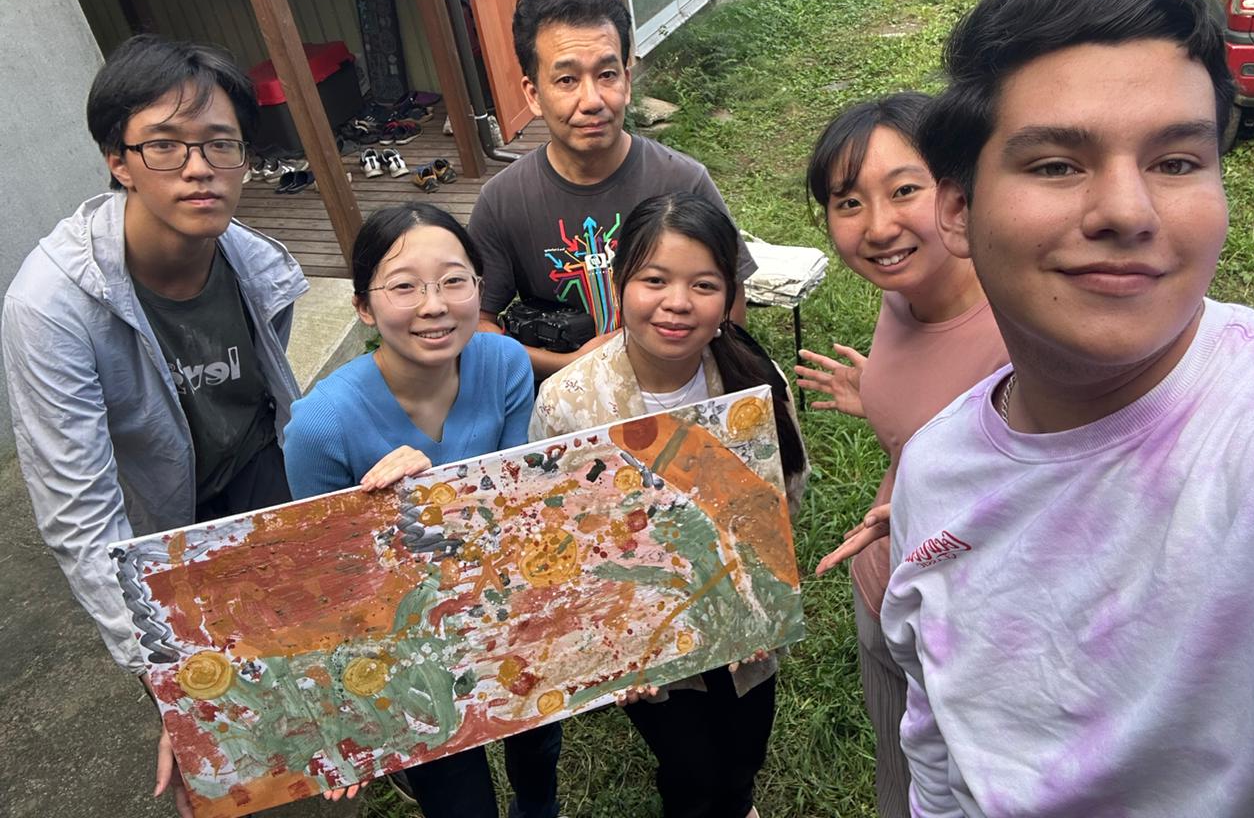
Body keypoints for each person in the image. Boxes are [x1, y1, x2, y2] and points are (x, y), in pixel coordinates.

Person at [879, 0, 1254, 817]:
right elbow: (936, 740)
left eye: (1177, 162)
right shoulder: (935, 475)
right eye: (1058, 165)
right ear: (958, 210)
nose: (1128, 211)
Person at [1, 34, 308, 816]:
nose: (199, 168)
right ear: (119, 160)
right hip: (154, 527)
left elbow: (270, 402)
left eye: (220, 144)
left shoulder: (257, 262)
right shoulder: (50, 308)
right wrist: (167, 677)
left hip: (254, 480)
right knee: (217, 741)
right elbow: (80, 516)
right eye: (165, 145)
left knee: (301, 674)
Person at [530, 191, 808, 818]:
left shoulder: (753, 379)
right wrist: (612, 645)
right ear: (620, 283)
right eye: (654, 280)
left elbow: (784, 499)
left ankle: (740, 801)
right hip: (644, 638)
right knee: (688, 770)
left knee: (744, 750)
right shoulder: (568, 402)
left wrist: (760, 600)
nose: (677, 302)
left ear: (729, 296)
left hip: (742, 624)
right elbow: (560, 536)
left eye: (703, 284)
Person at [282, 202, 562, 818]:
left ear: (479, 288)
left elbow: (514, 503)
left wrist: (441, 494)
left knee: (538, 743)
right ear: (363, 306)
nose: (434, 305)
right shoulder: (321, 426)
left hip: (503, 603)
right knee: (455, 791)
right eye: (404, 286)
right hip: (405, 640)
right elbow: (330, 577)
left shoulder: (506, 363)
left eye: (454, 280)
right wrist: (392, 513)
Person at [792, 92, 1007, 818]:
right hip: (882, 584)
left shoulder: (1017, 331)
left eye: (904, 190)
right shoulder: (904, 293)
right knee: (898, 777)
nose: (879, 227)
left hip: (970, 634)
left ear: (957, 191)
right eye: (849, 202)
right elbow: (932, 417)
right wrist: (882, 402)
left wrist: (937, 512)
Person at [467, 0, 757, 380]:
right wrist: (571, 366)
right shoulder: (504, 200)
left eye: (607, 74)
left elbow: (730, 308)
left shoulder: (683, 183)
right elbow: (477, 324)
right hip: (562, 403)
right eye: (567, 79)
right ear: (533, 94)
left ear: (627, 80)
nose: (592, 100)